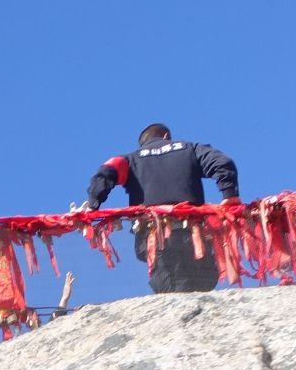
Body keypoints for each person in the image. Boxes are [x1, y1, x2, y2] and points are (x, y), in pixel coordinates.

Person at [77, 124, 241, 294]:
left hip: (155, 235)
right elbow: (222, 162)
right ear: (166, 136)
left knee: (169, 287)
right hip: (193, 233)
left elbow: (105, 172)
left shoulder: (130, 159)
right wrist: (229, 194)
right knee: (203, 284)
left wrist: (92, 204)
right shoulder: (190, 149)